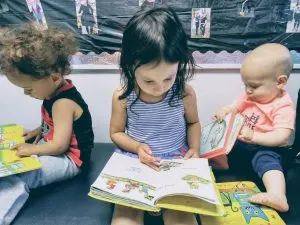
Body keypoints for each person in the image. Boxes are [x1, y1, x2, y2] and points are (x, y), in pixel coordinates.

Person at [110, 7, 201, 225]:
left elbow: (194, 123)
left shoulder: (184, 92)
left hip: (176, 160)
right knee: (126, 216)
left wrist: (195, 149)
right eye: (149, 81)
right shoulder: (123, 97)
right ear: (131, 67)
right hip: (137, 159)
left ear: (179, 64)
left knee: (181, 215)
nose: (159, 87)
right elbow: (116, 133)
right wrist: (137, 147)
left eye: (168, 78)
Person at [0, 24, 94, 224]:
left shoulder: (62, 103)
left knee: (18, 177)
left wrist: (31, 150)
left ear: (54, 77)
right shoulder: (54, 91)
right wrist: (36, 131)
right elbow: (53, 125)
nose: (27, 94)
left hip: (70, 160)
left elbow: (60, 145)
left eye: (28, 89)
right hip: (57, 150)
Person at [214, 43, 295, 212]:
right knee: (223, 146)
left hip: (268, 147)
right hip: (245, 143)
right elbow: (236, 106)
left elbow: (282, 136)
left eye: (254, 86)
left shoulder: (282, 105)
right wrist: (226, 110)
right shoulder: (249, 96)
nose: (248, 91)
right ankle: (218, 165)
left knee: (265, 159)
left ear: (280, 82)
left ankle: (278, 195)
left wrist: (255, 137)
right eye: (245, 85)